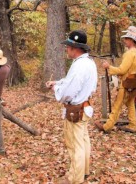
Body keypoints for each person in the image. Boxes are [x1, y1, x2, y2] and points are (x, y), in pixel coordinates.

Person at [46, 30, 97, 184]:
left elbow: (67, 93)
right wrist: (58, 83)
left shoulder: (80, 66)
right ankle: (84, 171)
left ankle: (75, 178)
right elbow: (71, 82)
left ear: (75, 48)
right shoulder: (88, 63)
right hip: (84, 107)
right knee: (83, 141)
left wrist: (55, 89)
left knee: (75, 146)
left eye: (68, 46)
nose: (67, 49)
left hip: (76, 110)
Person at [95, 31, 136, 133]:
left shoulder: (129, 53)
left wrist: (109, 67)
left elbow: (122, 70)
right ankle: (132, 125)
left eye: (126, 39)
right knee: (130, 103)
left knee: (117, 104)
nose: (125, 41)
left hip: (127, 82)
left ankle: (107, 127)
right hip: (134, 81)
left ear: (131, 41)